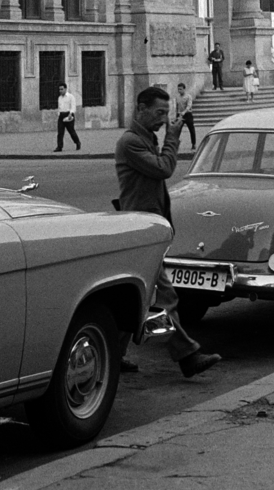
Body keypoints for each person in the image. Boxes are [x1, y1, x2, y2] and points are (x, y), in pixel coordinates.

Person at [114, 86, 221, 378]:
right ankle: (186, 355)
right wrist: (172, 140)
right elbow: (164, 169)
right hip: (140, 229)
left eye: (166, 113)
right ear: (140, 109)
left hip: (149, 227)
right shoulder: (131, 143)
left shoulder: (145, 138)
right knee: (166, 295)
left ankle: (112, 354)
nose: (163, 119)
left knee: (135, 298)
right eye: (159, 112)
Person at [54, 79, 81, 152]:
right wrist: (59, 114)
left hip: (69, 115)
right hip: (61, 115)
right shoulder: (59, 98)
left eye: (62, 89)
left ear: (65, 89)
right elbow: (59, 107)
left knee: (71, 131)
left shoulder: (70, 97)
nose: (60, 91)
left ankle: (77, 142)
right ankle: (59, 147)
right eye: (59, 89)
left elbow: (73, 106)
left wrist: (71, 113)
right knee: (60, 132)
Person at [173, 82, 197, 147]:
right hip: (180, 115)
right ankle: (175, 144)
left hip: (188, 115)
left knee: (191, 129)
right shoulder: (177, 97)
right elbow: (177, 107)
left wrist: (185, 111)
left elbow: (189, 106)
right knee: (178, 130)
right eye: (178, 89)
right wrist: (176, 116)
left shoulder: (188, 96)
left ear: (184, 89)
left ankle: (193, 144)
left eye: (180, 89)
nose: (179, 91)